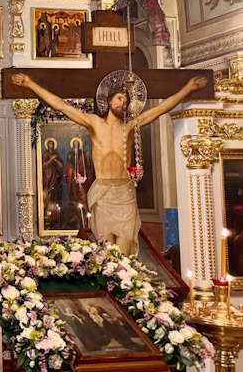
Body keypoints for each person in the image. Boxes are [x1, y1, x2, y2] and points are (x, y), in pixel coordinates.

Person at [12, 72, 208, 254]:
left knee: (124, 253)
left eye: (126, 101)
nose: (123, 103)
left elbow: (160, 109)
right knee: (107, 253)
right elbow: (62, 106)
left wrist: (188, 88)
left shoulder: (130, 127)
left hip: (124, 194)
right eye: (120, 98)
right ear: (109, 100)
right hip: (103, 194)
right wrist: (30, 84)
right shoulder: (95, 123)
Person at [41, 139, 65, 211]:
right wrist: (51, 159)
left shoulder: (56, 154)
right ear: (47, 145)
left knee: (55, 191)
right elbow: (43, 166)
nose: (51, 145)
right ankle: (48, 207)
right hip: (47, 176)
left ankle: (55, 207)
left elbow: (61, 167)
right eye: (50, 144)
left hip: (55, 177)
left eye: (52, 144)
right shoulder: (45, 154)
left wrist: (56, 160)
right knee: (48, 191)